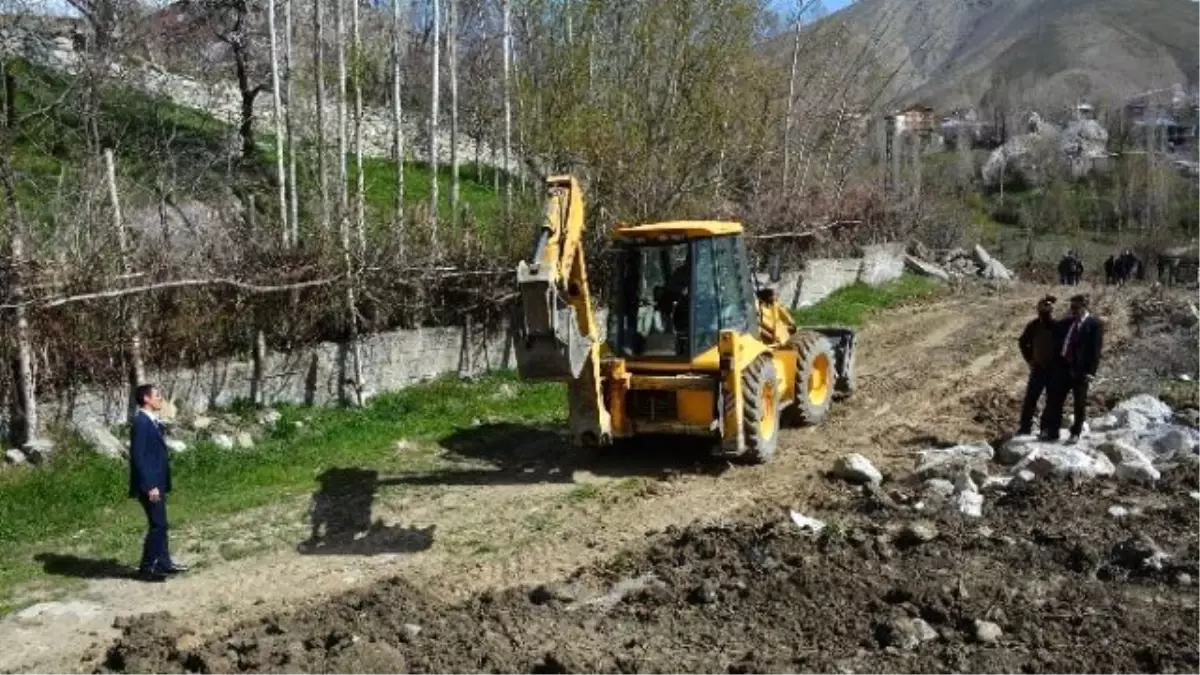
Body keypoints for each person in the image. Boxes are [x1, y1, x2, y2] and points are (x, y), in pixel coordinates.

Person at [128, 384, 187, 582]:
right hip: (150, 485)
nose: (161, 399)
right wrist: (150, 485)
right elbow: (138, 457)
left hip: (157, 482)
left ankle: (163, 563)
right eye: (158, 396)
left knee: (161, 524)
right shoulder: (141, 423)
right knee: (158, 525)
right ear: (146, 399)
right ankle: (147, 567)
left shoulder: (152, 421)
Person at [1043, 294, 1104, 443]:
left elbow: (1096, 350)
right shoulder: (1067, 322)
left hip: (1081, 371)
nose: (1073, 310)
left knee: (1079, 403)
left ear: (1085, 307)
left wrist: (1091, 372)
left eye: (1076, 307)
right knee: (1055, 401)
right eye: (1071, 307)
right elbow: (1051, 327)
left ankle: (1075, 433)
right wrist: (1046, 312)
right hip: (1062, 368)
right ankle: (1052, 432)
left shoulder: (1094, 324)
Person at [1016, 295, 1062, 436]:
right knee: (1031, 399)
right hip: (1038, 368)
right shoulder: (1033, 326)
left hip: (1054, 369)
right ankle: (1025, 428)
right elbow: (1023, 342)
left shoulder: (1058, 326)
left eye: (1049, 307)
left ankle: (1045, 428)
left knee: (1051, 400)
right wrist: (1030, 359)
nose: (1046, 309)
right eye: (1043, 306)